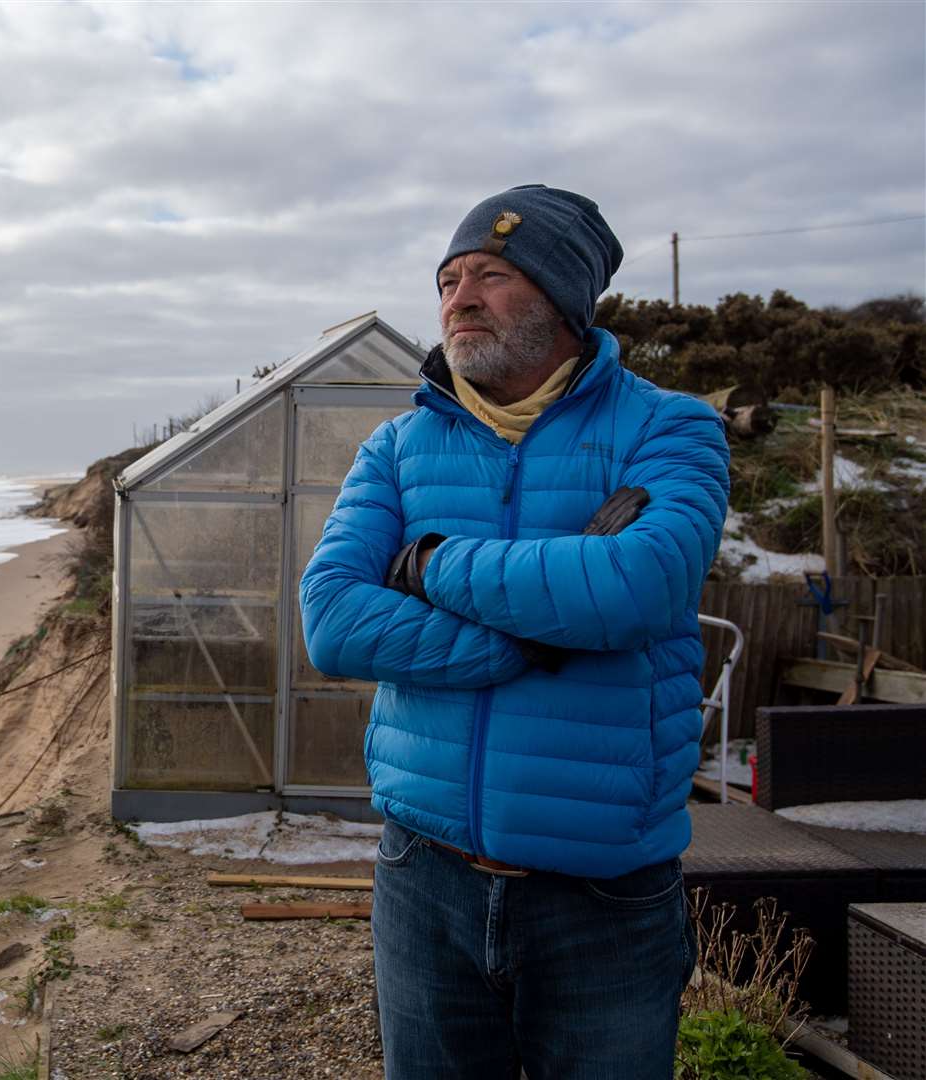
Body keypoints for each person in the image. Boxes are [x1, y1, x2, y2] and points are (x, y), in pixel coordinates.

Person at [299, 184, 730, 1079]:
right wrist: (537, 636)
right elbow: (333, 622)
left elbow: (633, 587)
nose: (459, 296)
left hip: (603, 888)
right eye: (449, 278)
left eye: (491, 275)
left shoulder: (670, 428)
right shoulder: (397, 446)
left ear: (565, 300)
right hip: (424, 870)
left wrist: (425, 565)